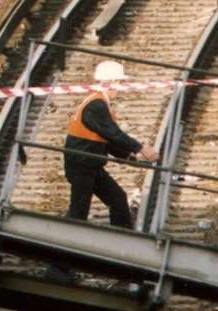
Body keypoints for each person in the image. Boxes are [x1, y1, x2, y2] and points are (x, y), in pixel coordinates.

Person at [63, 61, 159, 230]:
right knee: (79, 211)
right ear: (110, 82)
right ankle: (65, 245)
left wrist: (128, 157)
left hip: (91, 164)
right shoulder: (96, 105)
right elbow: (114, 134)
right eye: (120, 82)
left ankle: (122, 237)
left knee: (118, 199)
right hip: (81, 165)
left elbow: (106, 139)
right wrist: (141, 148)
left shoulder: (99, 103)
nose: (121, 87)